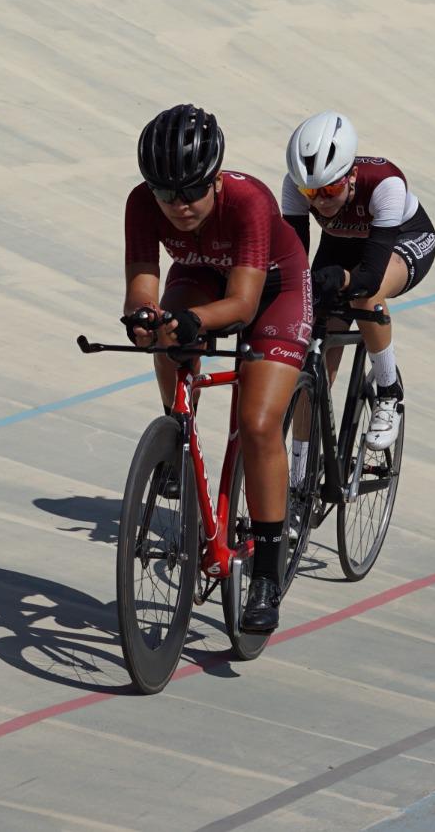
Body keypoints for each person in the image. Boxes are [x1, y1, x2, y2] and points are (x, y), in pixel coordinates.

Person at [123, 104, 312, 633]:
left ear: (216, 179)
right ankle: (175, 434)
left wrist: (192, 321)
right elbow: (142, 280)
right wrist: (144, 317)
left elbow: (244, 305)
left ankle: (267, 575)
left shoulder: (249, 201)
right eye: (165, 193)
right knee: (165, 331)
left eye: (191, 191)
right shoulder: (141, 203)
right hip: (201, 275)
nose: (178, 205)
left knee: (257, 423)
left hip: (273, 288)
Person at [281, 111, 435, 465]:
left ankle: (388, 392)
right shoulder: (293, 186)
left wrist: (342, 279)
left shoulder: (386, 184)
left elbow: (368, 275)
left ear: (351, 175)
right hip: (341, 246)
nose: (320, 200)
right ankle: (300, 473)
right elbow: (293, 262)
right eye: (311, 192)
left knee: (366, 295)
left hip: (401, 240)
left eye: (330, 189)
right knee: (313, 350)